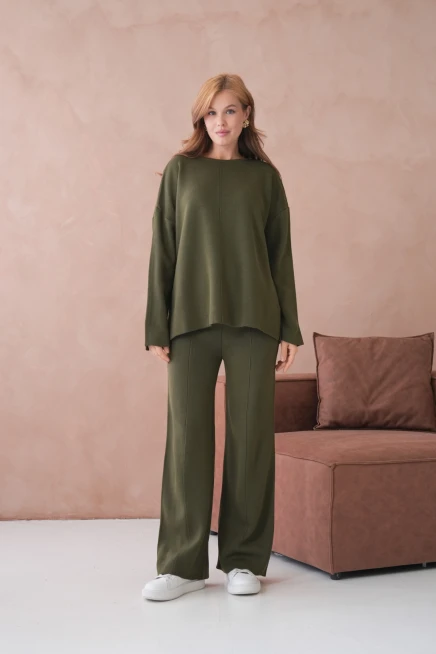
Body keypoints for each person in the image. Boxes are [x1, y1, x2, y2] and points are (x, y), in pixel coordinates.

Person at [142, 73, 304, 601]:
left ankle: (244, 561)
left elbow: (280, 255)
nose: (221, 121)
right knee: (186, 442)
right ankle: (182, 566)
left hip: (255, 324)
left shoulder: (265, 179)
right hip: (189, 324)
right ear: (201, 119)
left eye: (230, 110)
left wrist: (289, 327)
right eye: (211, 112)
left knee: (251, 441)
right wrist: (157, 323)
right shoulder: (180, 172)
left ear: (247, 115)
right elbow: (163, 248)